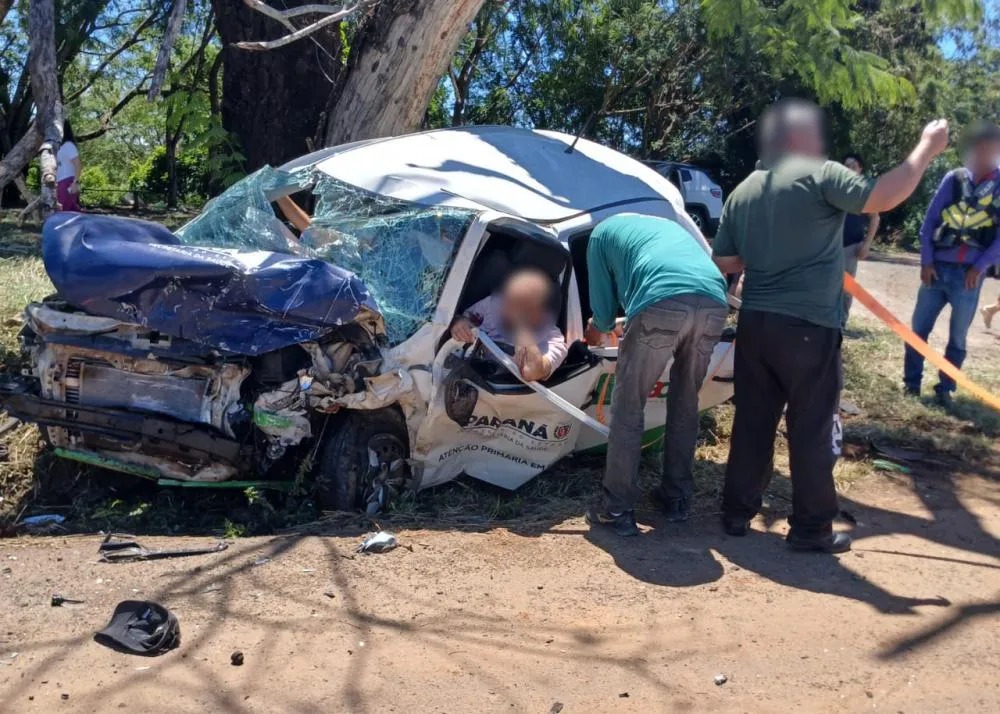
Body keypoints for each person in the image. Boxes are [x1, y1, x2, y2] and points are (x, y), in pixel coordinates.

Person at [712, 99, 949, 553]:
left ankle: (736, 514)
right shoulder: (819, 173)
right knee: (813, 428)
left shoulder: (743, 189)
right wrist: (926, 149)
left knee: (753, 422)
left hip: (756, 324)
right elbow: (883, 195)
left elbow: (721, 259)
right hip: (809, 327)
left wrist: (762, 257)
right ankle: (811, 529)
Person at [582, 213, 729, 537]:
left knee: (629, 405)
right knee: (685, 402)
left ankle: (617, 507)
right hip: (714, 302)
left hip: (660, 300)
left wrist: (594, 334)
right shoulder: (664, 227)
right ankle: (676, 500)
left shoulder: (599, 236)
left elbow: (604, 318)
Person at [904, 121, 1000, 402]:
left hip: (969, 276)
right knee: (918, 330)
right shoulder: (954, 179)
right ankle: (911, 385)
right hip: (937, 270)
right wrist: (926, 261)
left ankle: (945, 390)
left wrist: (979, 267)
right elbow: (930, 220)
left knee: (957, 339)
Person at [450, 267, 568, 382]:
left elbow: (531, 371)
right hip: (462, 373)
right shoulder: (494, 304)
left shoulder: (555, 342)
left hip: (499, 392)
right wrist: (459, 322)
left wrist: (521, 327)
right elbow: (464, 317)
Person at [841, 153, 881, 328]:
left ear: (860, 170)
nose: (849, 169)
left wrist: (867, 244)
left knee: (845, 289)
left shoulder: (864, 193)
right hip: (829, 247)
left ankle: (840, 323)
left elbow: (875, 218)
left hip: (850, 247)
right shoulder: (836, 189)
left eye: (853, 166)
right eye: (846, 166)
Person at [55, 121, 82, 212]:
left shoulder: (68, 145)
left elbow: (78, 164)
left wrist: (75, 182)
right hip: (59, 183)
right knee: (60, 211)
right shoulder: (59, 146)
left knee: (68, 212)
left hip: (68, 182)